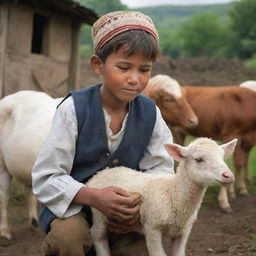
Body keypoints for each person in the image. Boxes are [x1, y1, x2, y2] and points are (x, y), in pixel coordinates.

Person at [32, 10, 174, 256]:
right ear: (98, 65)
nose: (134, 79)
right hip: (74, 208)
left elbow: (160, 171)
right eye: (124, 67)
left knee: (143, 247)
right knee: (67, 238)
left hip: (125, 210)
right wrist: (94, 197)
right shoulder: (73, 109)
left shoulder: (151, 113)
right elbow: (47, 176)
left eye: (144, 70)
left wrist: (135, 206)